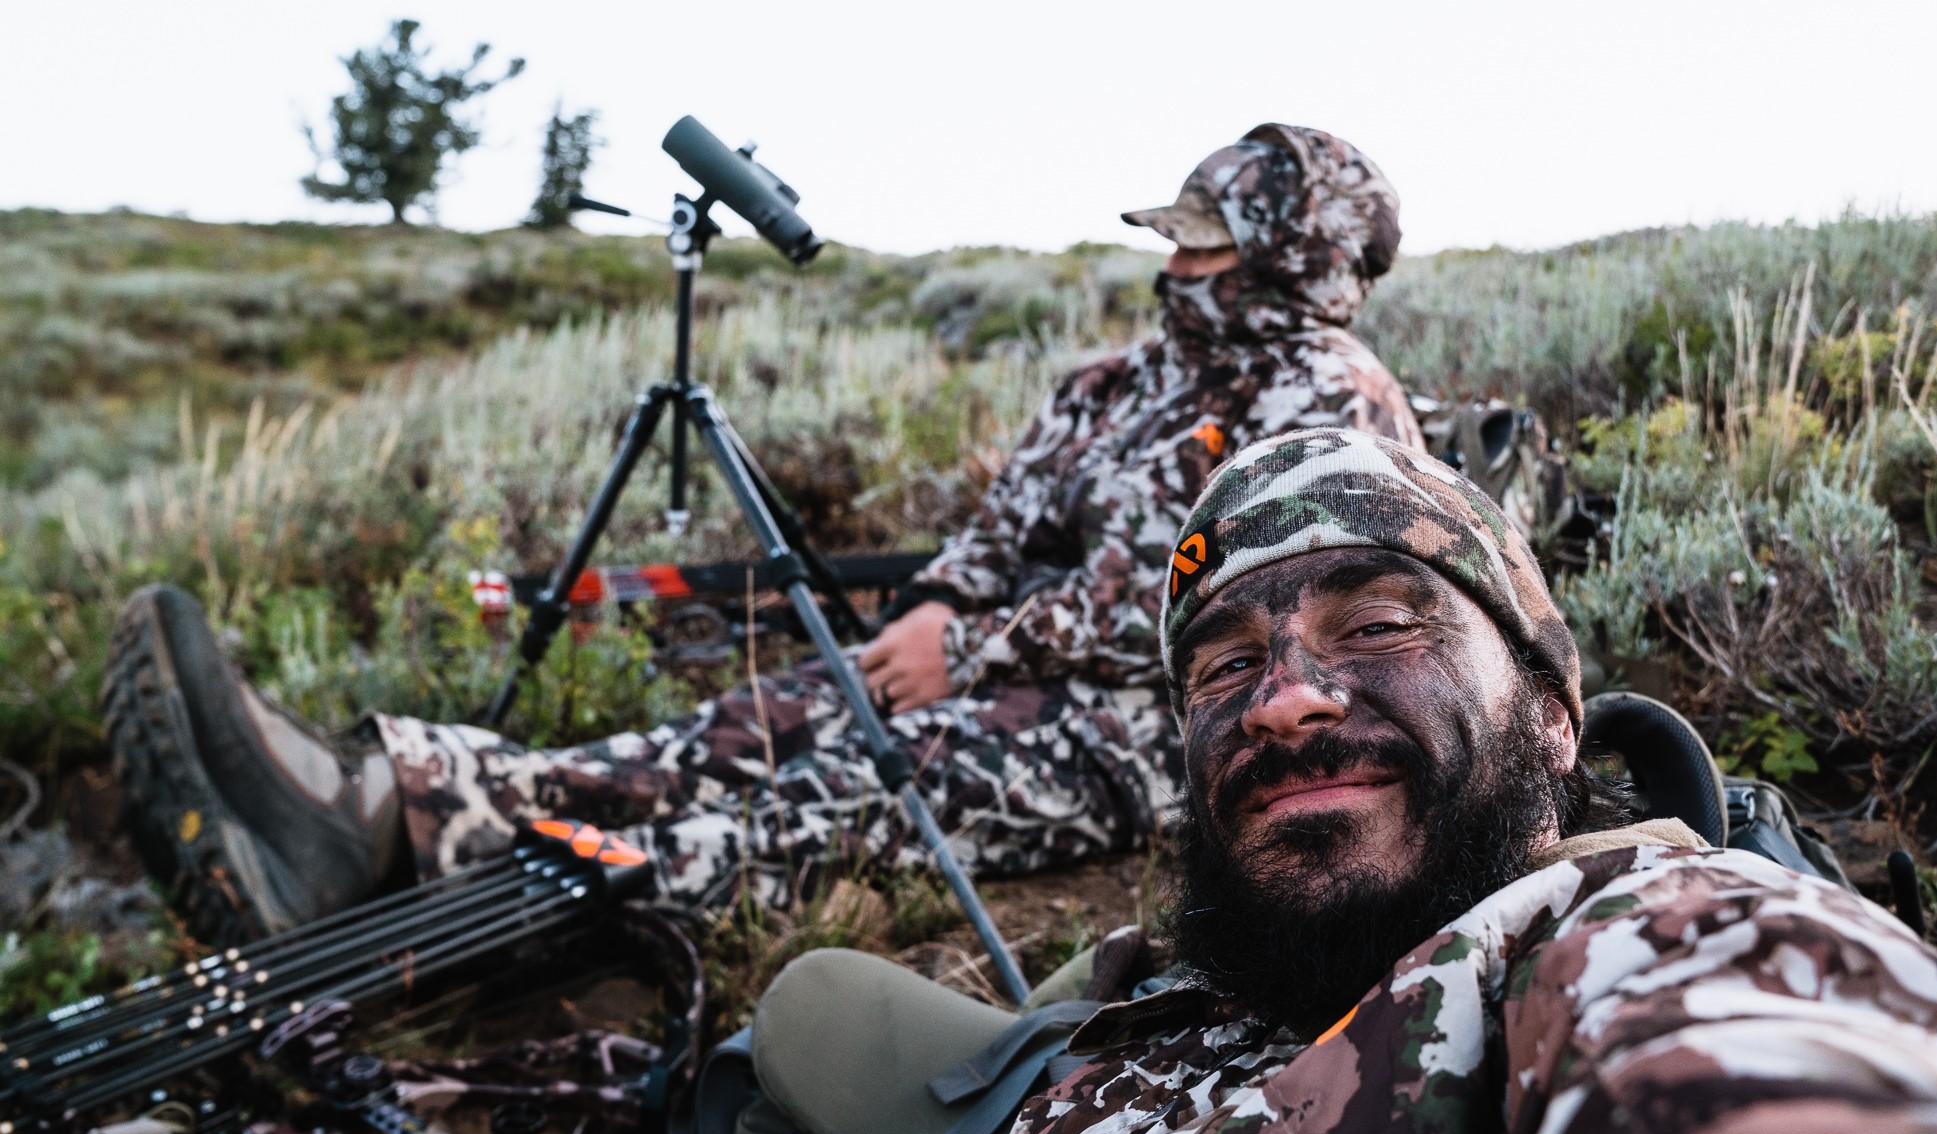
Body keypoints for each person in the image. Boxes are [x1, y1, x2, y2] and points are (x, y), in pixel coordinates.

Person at [102, 124, 1422, 943]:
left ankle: (413, 898)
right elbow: (995, 531)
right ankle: (371, 794)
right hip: (973, 664)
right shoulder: (1111, 382)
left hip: (1128, 733)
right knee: (722, 734)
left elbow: (1234, 620)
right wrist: (938, 617)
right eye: (1177, 246)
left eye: (1206, 250)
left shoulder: (1335, 403)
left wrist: (970, 656)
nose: (1174, 272)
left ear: (1285, 259)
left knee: (799, 810)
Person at [742, 428, 1937, 1134]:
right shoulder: (1179, 977)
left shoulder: (1654, 930)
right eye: (1223, 663)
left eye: (1380, 621)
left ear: (1554, 717)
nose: (1282, 696)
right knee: (802, 1010)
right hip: (1114, 1060)